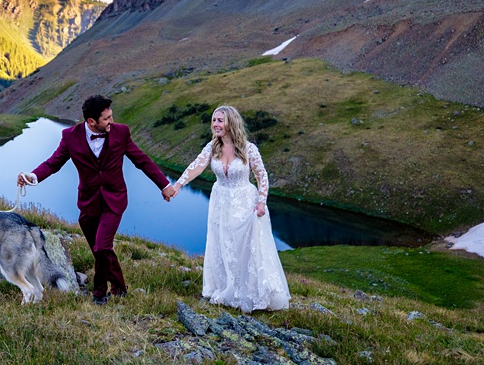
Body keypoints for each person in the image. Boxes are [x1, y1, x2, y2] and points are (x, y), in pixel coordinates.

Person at [19, 94, 176, 304]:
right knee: (100, 250)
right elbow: (53, 163)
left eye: (111, 116)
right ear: (91, 121)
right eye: (107, 118)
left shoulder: (121, 132)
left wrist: (164, 185)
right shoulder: (70, 136)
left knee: (101, 247)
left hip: (115, 199)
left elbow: (142, 160)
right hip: (88, 202)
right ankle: (120, 287)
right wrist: (33, 176)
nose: (112, 121)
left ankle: (100, 293)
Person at [166, 105, 290, 312]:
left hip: (245, 203)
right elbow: (196, 166)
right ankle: (225, 288)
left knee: (245, 247)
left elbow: (262, 176)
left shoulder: (249, 149)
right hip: (220, 203)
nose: (215, 124)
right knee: (222, 244)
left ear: (231, 123)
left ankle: (249, 293)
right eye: (214, 120)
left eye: (220, 120)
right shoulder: (212, 147)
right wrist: (177, 185)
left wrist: (262, 201)